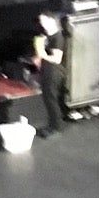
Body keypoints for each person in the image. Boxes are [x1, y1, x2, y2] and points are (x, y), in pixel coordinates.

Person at [32, 9, 67, 137]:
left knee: (51, 99)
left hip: (54, 72)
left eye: (44, 21)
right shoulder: (47, 35)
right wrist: (39, 57)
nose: (42, 24)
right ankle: (52, 123)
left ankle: (57, 126)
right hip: (47, 70)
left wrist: (43, 55)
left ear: (52, 20)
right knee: (47, 99)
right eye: (41, 21)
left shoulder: (58, 37)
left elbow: (57, 59)